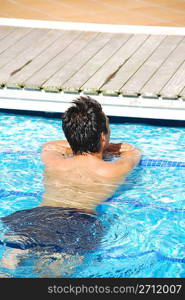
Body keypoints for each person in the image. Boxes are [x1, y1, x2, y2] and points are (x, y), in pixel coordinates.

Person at [0, 96, 141, 275]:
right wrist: (103, 146)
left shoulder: (54, 161)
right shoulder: (112, 170)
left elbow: (49, 146)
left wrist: (78, 139)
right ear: (103, 137)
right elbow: (132, 151)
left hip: (37, 217)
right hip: (77, 223)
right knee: (49, 275)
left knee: (9, 262)